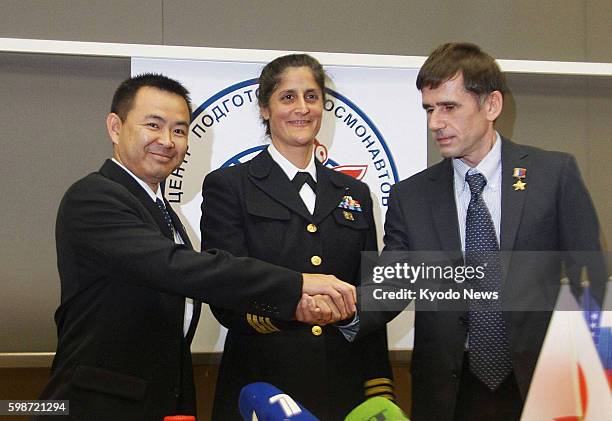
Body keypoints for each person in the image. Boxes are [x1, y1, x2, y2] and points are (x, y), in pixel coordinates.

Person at [36, 74, 356, 421]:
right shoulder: (94, 198)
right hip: (96, 405)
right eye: (153, 125)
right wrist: (298, 284)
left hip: (161, 401)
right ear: (115, 127)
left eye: (179, 130)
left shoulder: (159, 210)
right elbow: (179, 267)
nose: (167, 141)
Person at [351, 43, 606, 421]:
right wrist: (342, 309)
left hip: (546, 385)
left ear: (491, 106)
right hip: (448, 392)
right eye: (429, 109)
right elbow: (393, 284)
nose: (435, 122)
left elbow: (592, 278)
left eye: (449, 107)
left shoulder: (553, 175)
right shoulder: (412, 195)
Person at [201, 54, 394, 420]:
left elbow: (370, 294)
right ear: (264, 109)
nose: (301, 108)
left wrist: (379, 387)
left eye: (311, 96)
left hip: (345, 388)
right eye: (287, 97)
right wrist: (292, 305)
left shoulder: (353, 192)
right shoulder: (230, 186)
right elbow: (225, 291)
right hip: (262, 388)